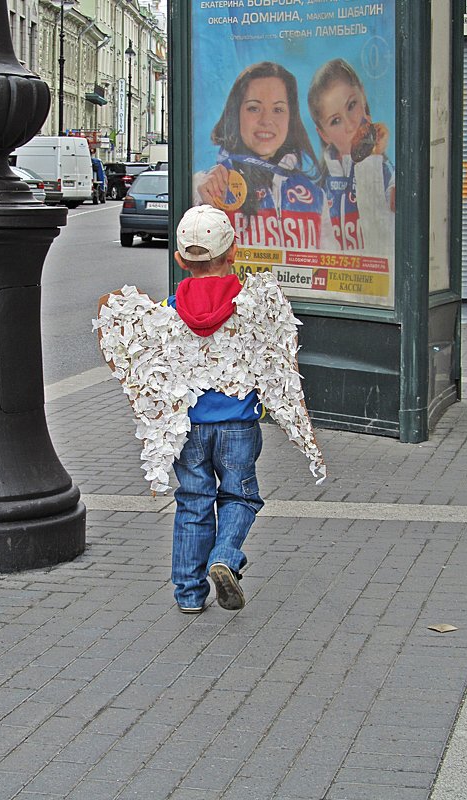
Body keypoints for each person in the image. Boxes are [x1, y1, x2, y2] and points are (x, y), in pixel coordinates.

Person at [94, 206, 325, 615]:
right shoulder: (252, 306)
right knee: (239, 496)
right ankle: (226, 555)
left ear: (181, 259)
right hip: (238, 424)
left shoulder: (167, 311)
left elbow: (152, 367)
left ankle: (188, 593)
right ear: (233, 252)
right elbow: (276, 362)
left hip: (189, 428)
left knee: (193, 503)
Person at [194, 61, 336, 252]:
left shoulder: (315, 195)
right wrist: (199, 198)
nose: (266, 120)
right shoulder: (209, 186)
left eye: (278, 109)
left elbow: (327, 265)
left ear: (290, 117)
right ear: (236, 114)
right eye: (254, 108)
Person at [307, 58, 395, 254]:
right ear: (323, 134)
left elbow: (383, 243)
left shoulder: (389, 176)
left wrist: (371, 157)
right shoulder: (317, 187)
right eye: (335, 120)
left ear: (363, 95)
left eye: (352, 105)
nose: (350, 125)